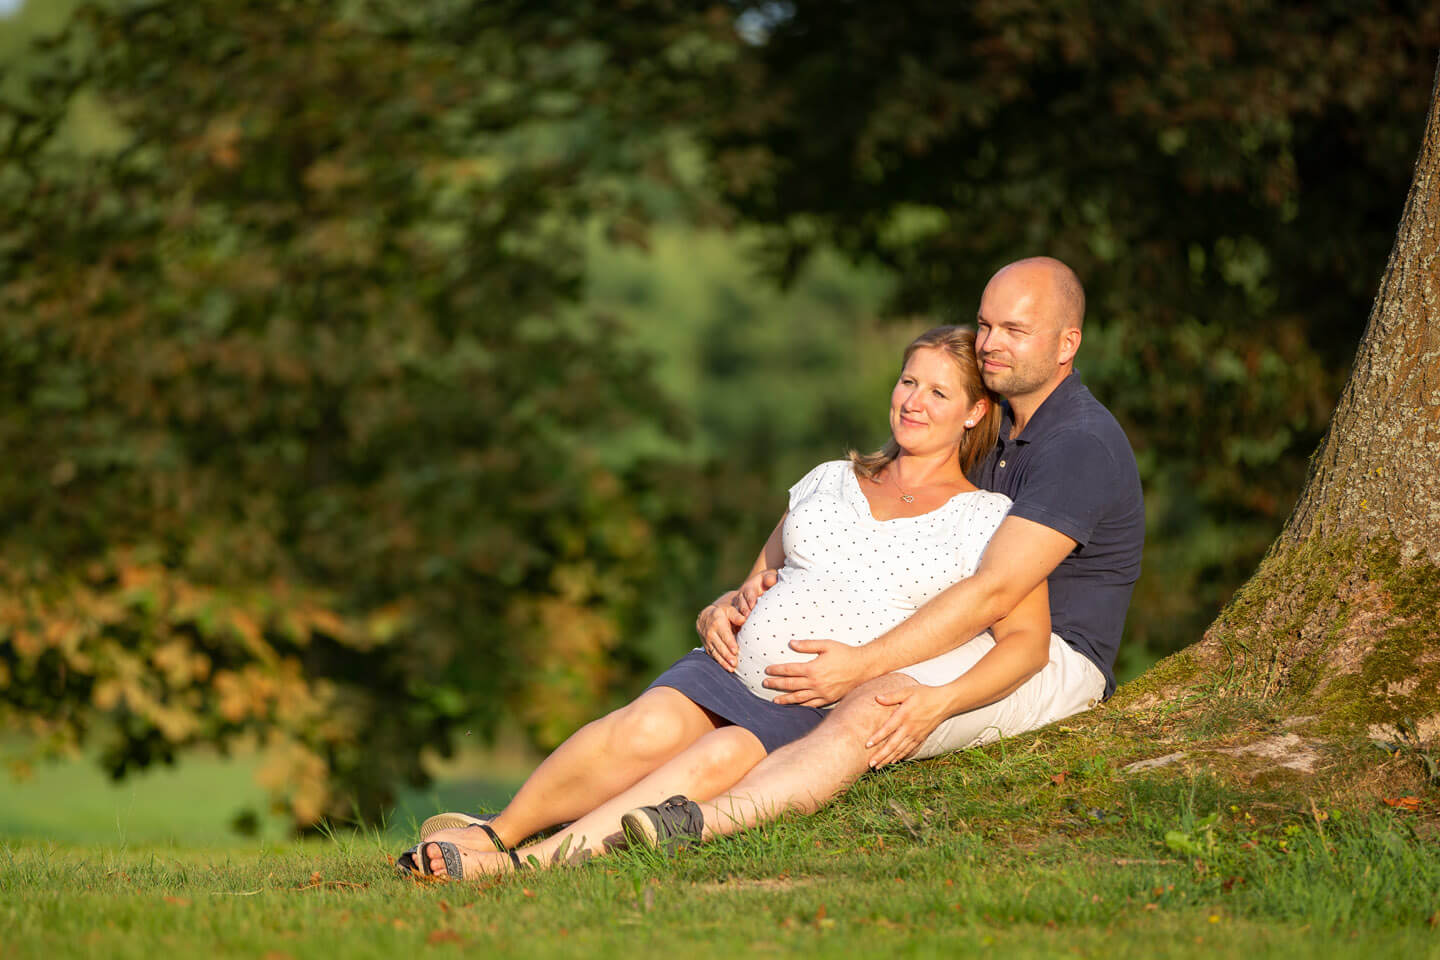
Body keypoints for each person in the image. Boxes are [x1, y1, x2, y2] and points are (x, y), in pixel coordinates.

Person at [398, 324, 1047, 879]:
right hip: (733, 668)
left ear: (973, 413)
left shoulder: (987, 519)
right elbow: (760, 578)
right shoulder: (831, 479)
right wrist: (721, 607)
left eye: (938, 392)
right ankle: (500, 829)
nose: (914, 402)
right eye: (908, 382)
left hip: (811, 701)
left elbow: (1025, 639)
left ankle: (529, 866)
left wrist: (933, 697)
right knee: (644, 726)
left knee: (721, 757)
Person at [618, 255, 1144, 851]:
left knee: (878, 698)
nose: (991, 344)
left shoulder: (1077, 444)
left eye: (1014, 331)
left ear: (1066, 343)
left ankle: (698, 822)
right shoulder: (996, 430)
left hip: (1046, 653)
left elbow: (996, 592)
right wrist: (738, 600)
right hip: (975, 630)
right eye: (986, 325)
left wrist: (879, 669)